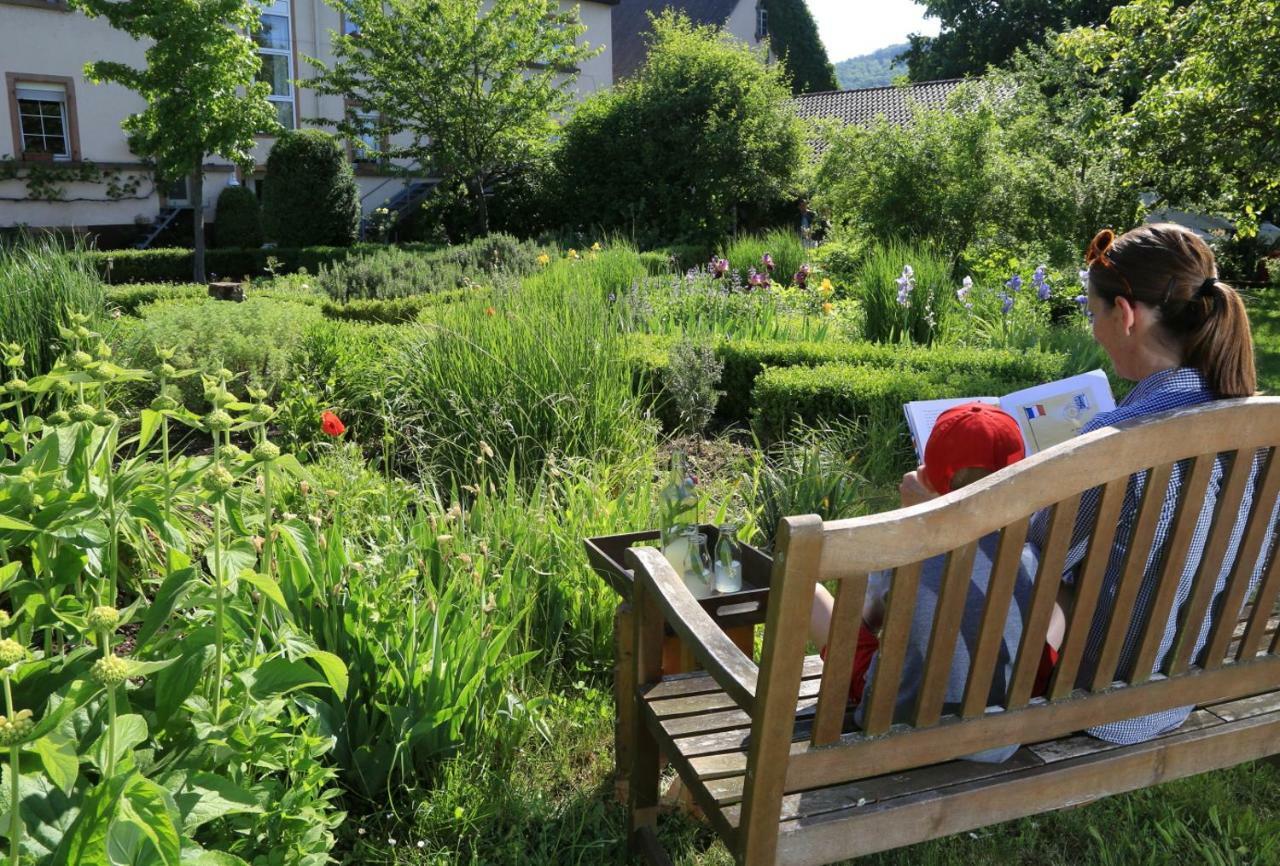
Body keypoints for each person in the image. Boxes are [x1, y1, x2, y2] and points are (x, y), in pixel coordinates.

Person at [1024, 222, 1274, 745]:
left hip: (1097, 698)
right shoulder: (1259, 430)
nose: (1094, 330)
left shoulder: (1117, 444)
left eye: (1094, 314)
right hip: (1179, 685)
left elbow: (1035, 559)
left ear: (1125, 314)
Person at [809, 402, 1065, 761]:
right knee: (1047, 619)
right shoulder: (1030, 558)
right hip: (1000, 737)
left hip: (896, 726)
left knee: (813, 596)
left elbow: (868, 619)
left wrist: (912, 516)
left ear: (929, 477)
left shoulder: (903, 552)